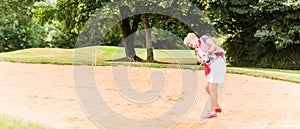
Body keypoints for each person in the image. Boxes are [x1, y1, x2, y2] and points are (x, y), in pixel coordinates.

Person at [184, 33, 226, 119]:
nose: (190, 45)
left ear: (193, 37)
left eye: (189, 42)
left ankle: (212, 111)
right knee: (207, 88)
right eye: (188, 44)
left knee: (212, 88)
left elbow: (213, 46)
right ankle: (216, 106)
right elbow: (199, 60)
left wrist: (208, 54)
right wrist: (202, 59)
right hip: (212, 66)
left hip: (218, 63)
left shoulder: (203, 39)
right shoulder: (196, 50)